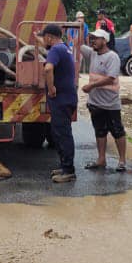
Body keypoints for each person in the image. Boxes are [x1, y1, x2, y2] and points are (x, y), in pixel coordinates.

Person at [80, 29, 128, 171]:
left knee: (117, 131)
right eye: (92, 38)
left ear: (104, 41)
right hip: (95, 103)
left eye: (96, 38)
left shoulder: (112, 57)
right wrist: (79, 28)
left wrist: (91, 86)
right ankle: (101, 159)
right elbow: (78, 45)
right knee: (99, 131)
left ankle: (122, 161)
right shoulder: (93, 54)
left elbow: (110, 78)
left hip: (110, 104)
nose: (93, 41)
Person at [39, 24, 78, 183]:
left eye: (44, 38)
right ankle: (64, 167)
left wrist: (51, 88)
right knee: (59, 134)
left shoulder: (55, 50)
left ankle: (68, 171)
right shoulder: (64, 48)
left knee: (63, 135)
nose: (43, 41)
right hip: (67, 98)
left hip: (61, 100)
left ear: (49, 37)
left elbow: (48, 69)